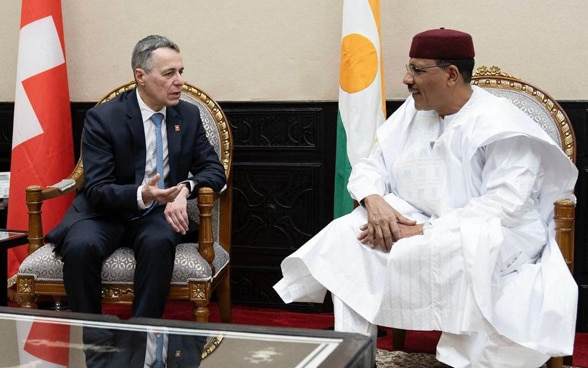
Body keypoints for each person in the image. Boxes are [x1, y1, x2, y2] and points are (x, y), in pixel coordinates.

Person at [274, 28, 578, 367]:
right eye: (409, 68)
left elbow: (504, 204)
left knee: (467, 248)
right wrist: (374, 202)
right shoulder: (413, 111)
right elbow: (371, 167)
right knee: (347, 236)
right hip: (418, 219)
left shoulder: (500, 123)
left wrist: (421, 232)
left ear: (450, 75)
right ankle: (354, 354)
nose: (406, 78)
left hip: (496, 231)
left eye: (418, 70)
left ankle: (462, 361)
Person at [46, 34, 225, 364]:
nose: (179, 82)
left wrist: (184, 188)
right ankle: (96, 345)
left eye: (181, 71)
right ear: (140, 76)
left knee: (159, 243)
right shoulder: (104, 118)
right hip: (106, 211)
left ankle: (142, 341)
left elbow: (215, 171)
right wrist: (142, 193)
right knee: (80, 247)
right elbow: (96, 188)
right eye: (168, 73)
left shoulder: (187, 116)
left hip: (159, 214)